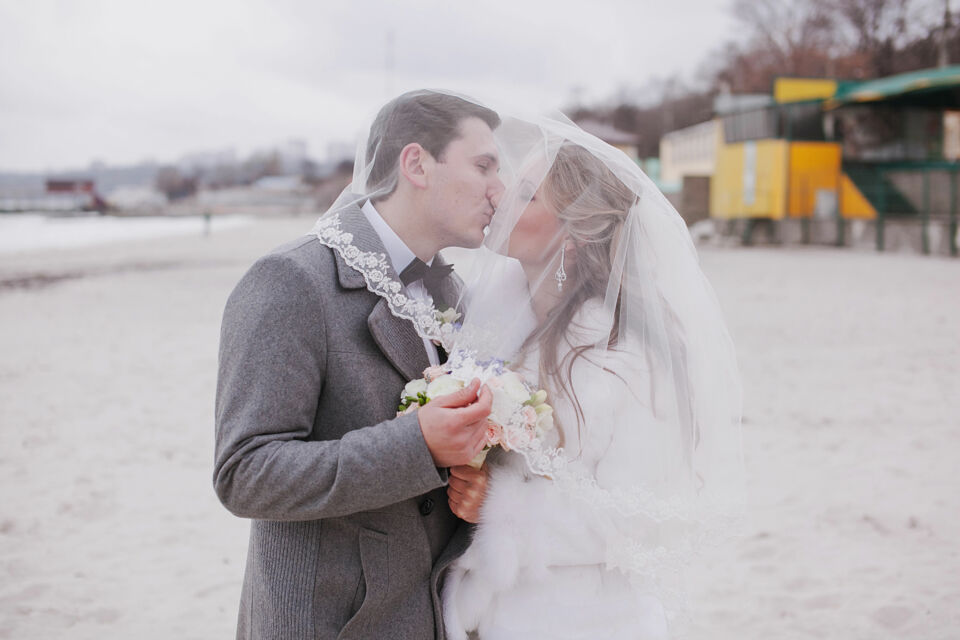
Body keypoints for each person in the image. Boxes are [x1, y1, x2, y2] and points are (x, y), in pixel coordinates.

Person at [213, 90, 503, 640]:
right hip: (327, 623)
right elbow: (244, 474)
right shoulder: (291, 280)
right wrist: (416, 446)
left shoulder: (455, 295)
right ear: (417, 164)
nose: (499, 190)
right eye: (483, 166)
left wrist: (480, 484)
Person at [441, 118, 744, 639]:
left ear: (574, 235)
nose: (501, 197)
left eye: (528, 195)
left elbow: (643, 520)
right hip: (487, 614)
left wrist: (497, 508)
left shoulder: (628, 356)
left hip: (581, 617)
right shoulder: (490, 319)